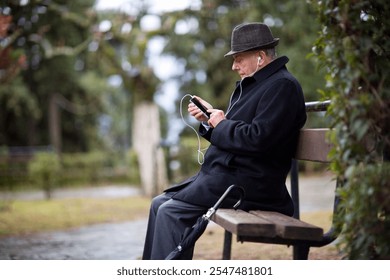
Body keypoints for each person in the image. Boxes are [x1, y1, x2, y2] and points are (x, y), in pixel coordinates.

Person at [142, 22, 307, 260]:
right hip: (231, 178)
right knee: (159, 203)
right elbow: (239, 134)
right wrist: (212, 121)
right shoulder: (257, 85)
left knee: (171, 212)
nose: (234, 66)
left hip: (252, 185)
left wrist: (222, 124)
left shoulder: (282, 87)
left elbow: (258, 139)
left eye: (239, 58)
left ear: (260, 57)